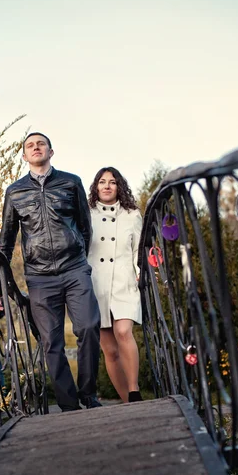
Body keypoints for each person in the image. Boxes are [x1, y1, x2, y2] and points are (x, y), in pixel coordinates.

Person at [0, 132, 101, 411]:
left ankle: (89, 394)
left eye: (40, 143)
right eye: (30, 145)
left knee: (89, 327)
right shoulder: (15, 192)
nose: (35, 147)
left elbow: (84, 226)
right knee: (51, 341)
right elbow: (6, 240)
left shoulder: (71, 182)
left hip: (75, 269)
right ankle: (68, 405)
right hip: (39, 277)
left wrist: (79, 254)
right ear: (24, 156)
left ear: (51, 151)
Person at [87, 167, 143, 403]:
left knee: (123, 331)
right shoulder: (86, 214)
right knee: (109, 350)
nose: (107, 186)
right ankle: (127, 403)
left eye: (112, 182)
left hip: (123, 281)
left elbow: (138, 250)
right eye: (102, 182)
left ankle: (134, 390)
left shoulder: (132, 215)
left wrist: (141, 273)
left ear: (120, 186)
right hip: (94, 283)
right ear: (96, 187)